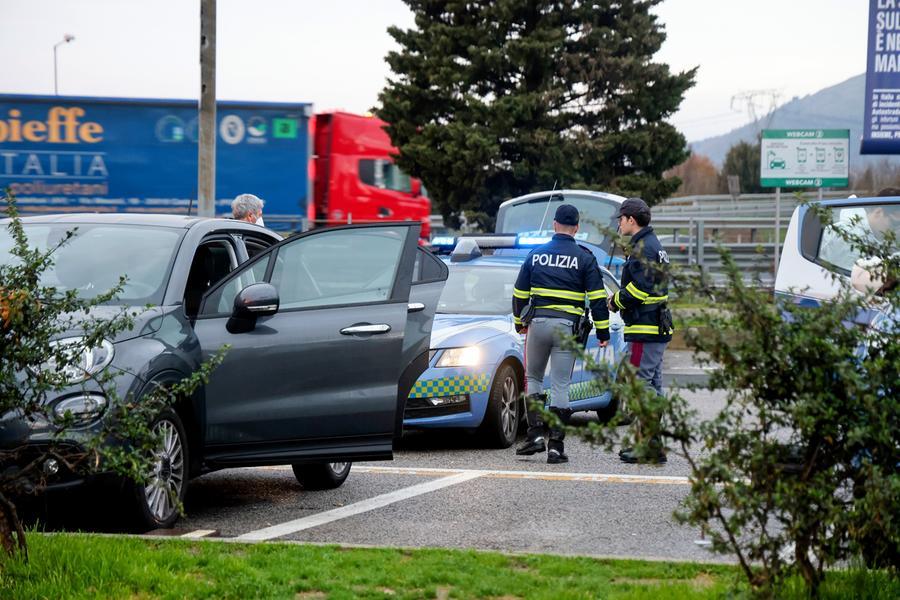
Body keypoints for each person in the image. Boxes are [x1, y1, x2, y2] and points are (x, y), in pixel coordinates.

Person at [512, 203, 610, 464]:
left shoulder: (536, 254)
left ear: (554, 224)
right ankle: (555, 447)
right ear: (576, 228)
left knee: (532, 377)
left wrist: (517, 323)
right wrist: (603, 331)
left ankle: (534, 435)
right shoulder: (585, 257)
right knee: (560, 385)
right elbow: (598, 299)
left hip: (538, 325)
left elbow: (519, 293)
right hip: (566, 328)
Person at [607, 197, 672, 464]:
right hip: (655, 328)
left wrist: (615, 301)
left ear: (631, 220)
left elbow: (640, 289)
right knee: (652, 384)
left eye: (621, 219)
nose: (619, 224)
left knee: (640, 384)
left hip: (644, 330)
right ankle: (653, 442)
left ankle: (649, 444)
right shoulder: (652, 245)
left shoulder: (643, 248)